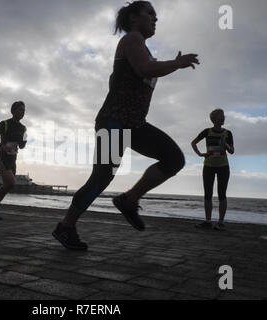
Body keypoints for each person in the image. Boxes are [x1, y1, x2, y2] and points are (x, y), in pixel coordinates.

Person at [52, 1, 199, 250]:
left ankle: (129, 199)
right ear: (133, 18)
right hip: (115, 122)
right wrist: (176, 64)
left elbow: (136, 72)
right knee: (100, 179)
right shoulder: (132, 39)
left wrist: (169, 65)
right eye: (150, 13)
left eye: (156, 15)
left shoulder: (141, 46)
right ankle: (65, 227)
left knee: (173, 159)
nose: (155, 19)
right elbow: (145, 68)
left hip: (134, 124)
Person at [191, 109, 234, 230]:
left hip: (223, 167)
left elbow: (232, 151)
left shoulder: (228, 133)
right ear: (214, 119)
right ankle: (208, 221)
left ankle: (221, 222)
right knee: (207, 194)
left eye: (224, 116)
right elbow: (193, 143)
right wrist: (200, 154)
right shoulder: (207, 132)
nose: (224, 118)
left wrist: (225, 144)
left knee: (222, 194)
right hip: (208, 166)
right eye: (221, 116)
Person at [0, 101, 27, 220]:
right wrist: (0, 146)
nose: (22, 112)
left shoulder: (23, 128)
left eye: (24, 110)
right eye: (20, 110)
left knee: (8, 185)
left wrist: (25, 140)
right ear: (13, 111)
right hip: (2, 157)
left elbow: (22, 146)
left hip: (13, 159)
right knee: (11, 182)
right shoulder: (5, 124)